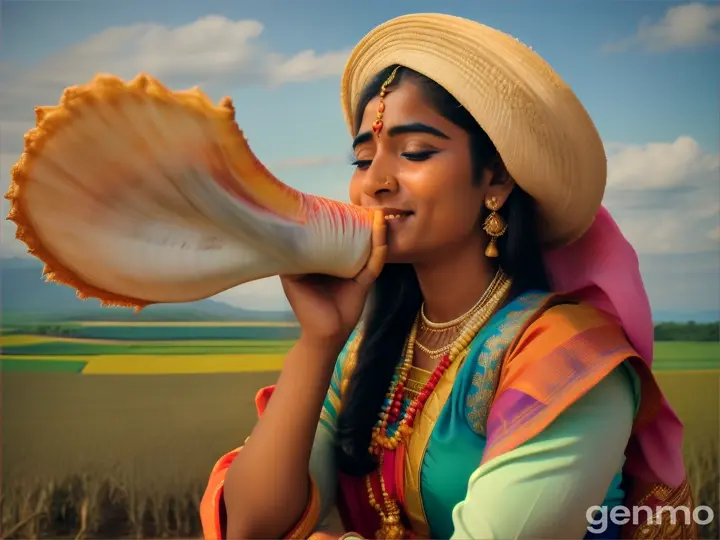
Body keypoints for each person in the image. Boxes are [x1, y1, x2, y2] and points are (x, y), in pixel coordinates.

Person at [200, 13, 697, 540]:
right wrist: (318, 342)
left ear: (497, 178)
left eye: (415, 152)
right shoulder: (368, 348)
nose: (376, 183)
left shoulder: (568, 357)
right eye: (363, 159)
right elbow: (249, 527)